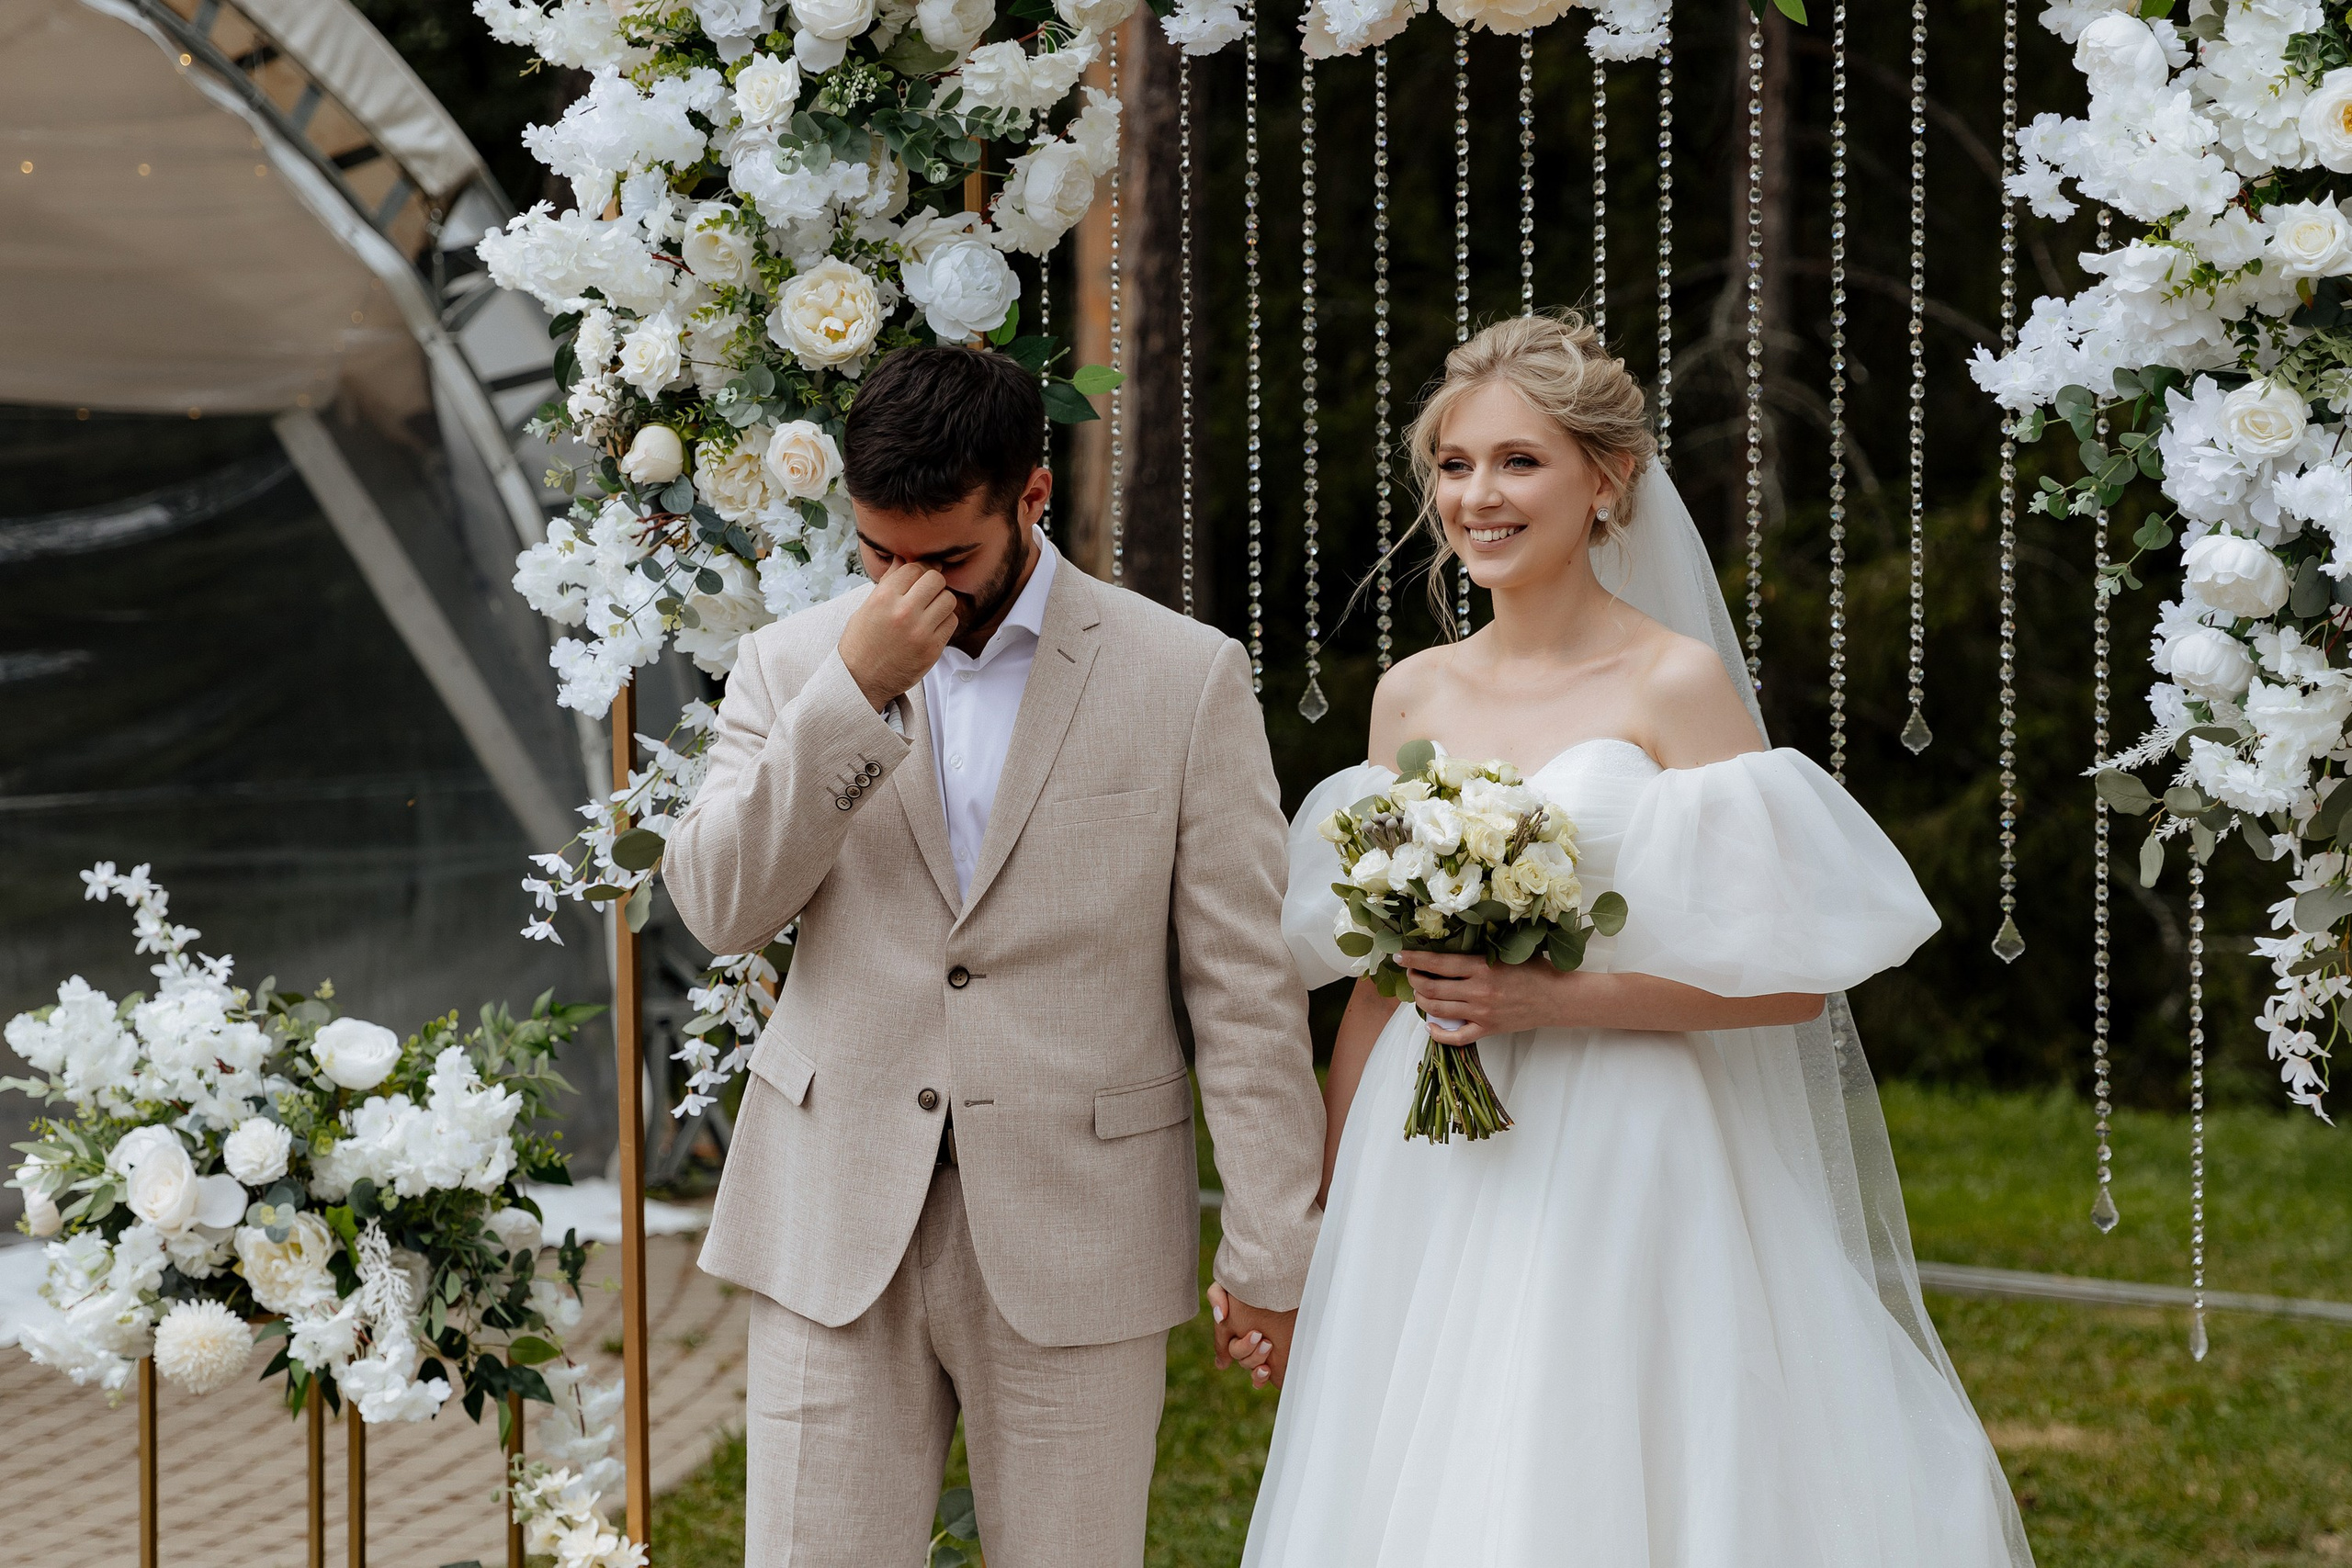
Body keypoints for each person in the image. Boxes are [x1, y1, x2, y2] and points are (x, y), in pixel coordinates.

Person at [1228, 312, 2036, 1567]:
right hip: (1423, 1149)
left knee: (1593, 1443)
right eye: (1454, 465)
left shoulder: (1674, 686)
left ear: (1606, 482)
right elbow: (1380, 988)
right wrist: (1326, 1204)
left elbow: (1787, 989)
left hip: (1622, 1143)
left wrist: (1551, 1003)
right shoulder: (1412, 693)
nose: (1478, 497)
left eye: (1518, 462)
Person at [664, 345, 1325, 1567]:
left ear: (1032, 496)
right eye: (880, 556)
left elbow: (1244, 990)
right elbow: (718, 904)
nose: (910, 587)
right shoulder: (792, 664)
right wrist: (852, 695)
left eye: (949, 559)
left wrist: (1273, 1249)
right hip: (833, 1213)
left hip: (1081, 1225)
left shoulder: (1184, 678)